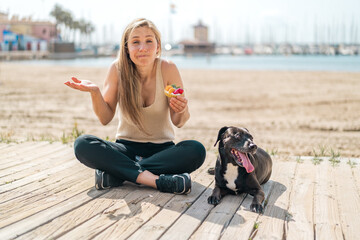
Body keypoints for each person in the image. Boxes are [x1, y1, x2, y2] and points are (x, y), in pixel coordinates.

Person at [64, 18, 206, 194]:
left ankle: (118, 174)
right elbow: (105, 118)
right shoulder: (117, 69)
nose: (142, 48)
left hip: (162, 150)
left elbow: (179, 122)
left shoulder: (168, 68)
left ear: (158, 46)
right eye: (135, 42)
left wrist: (182, 109)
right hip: (125, 148)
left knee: (196, 150)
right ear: (127, 48)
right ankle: (155, 181)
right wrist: (95, 92)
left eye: (149, 41)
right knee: (82, 144)